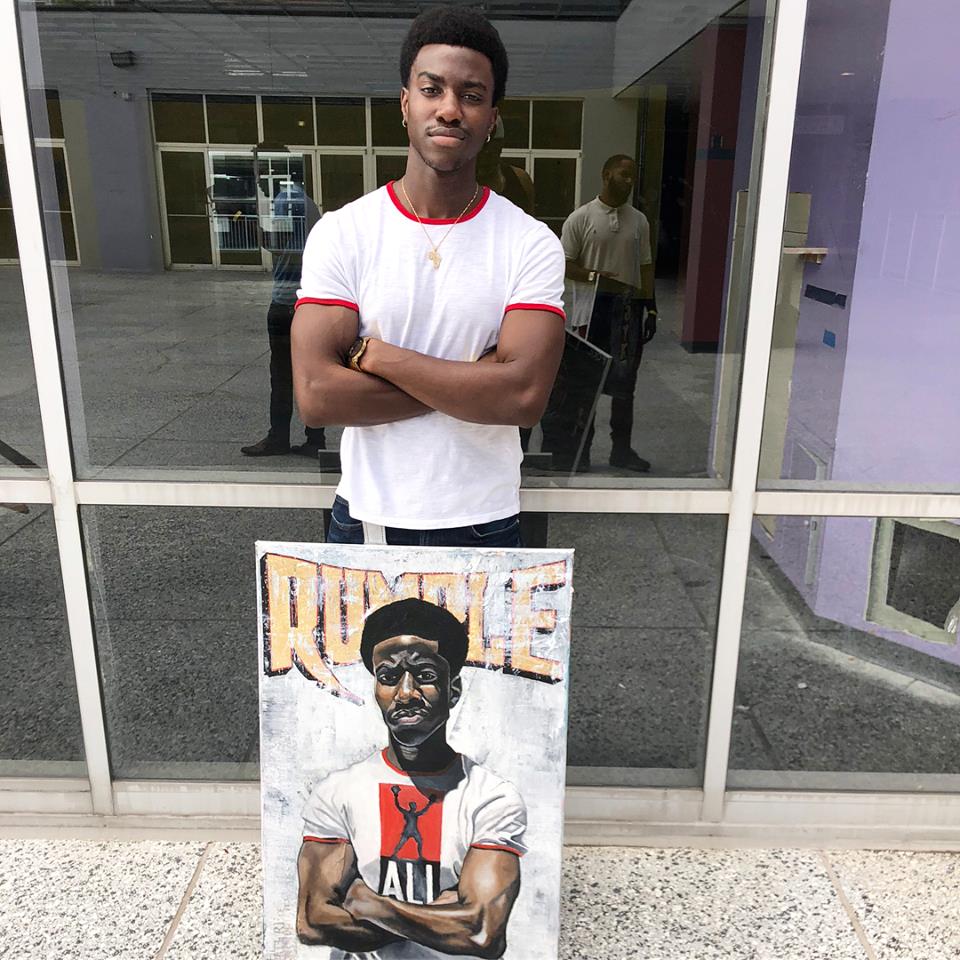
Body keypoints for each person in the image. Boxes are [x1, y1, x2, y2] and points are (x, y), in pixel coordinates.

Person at [291, 6, 566, 547]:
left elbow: (522, 398)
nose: (450, 109)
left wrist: (375, 356)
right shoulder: (343, 232)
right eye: (432, 89)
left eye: (471, 95)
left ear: (492, 117)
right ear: (405, 103)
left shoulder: (530, 242)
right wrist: (472, 384)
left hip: (485, 522)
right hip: (367, 519)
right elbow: (319, 397)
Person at [296, 598, 526, 958]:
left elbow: (482, 932)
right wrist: (443, 916)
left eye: (426, 676)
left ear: (453, 691)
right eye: (388, 678)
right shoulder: (337, 792)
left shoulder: (491, 798)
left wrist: (369, 903)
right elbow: (314, 920)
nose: (405, 693)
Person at [561, 154, 659, 472]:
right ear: (606, 175)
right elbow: (564, 263)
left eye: (632, 177)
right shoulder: (580, 218)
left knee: (624, 386)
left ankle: (621, 451)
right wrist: (595, 277)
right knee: (585, 384)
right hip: (590, 312)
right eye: (623, 175)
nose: (629, 182)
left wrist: (651, 307)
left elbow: (646, 266)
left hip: (628, 312)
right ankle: (582, 453)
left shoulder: (639, 221)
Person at [241, 154, 325, 458]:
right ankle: (314, 439)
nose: (258, 183)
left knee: (281, 375)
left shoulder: (286, 200)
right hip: (307, 298)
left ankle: (278, 438)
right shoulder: (305, 200)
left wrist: (247, 224)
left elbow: (278, 244)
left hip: (287, 300)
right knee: (309, 371)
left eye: (260, 175)